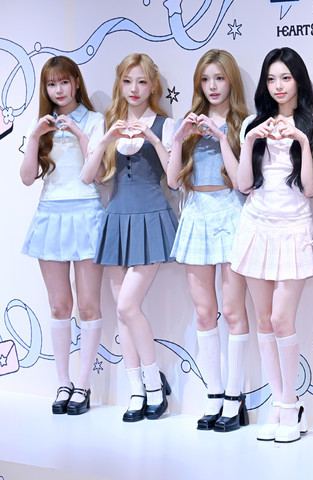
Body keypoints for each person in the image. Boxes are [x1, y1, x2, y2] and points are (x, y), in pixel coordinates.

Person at [229, 47, 313, 444]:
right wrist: (250, 140)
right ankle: (279, 405)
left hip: (294, 227)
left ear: (298, 80)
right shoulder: (253, 123)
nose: (278, 86)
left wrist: (303, 141)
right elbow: (244, 185)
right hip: (256, 226)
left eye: (285, 77)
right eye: (271, 79)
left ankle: (291, 403)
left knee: (282, 319)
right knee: (264, 320)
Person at [85, 53, 177, 422]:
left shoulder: (165, 125)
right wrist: (106, 138)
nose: (134, 89)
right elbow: (89, 176)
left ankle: (154, 385)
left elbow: (173, 178)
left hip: (151, 218)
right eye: (127, 81)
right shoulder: (109, 123)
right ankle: (136, 390)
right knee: (124, 313)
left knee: (126, 306)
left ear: (153, 86)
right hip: (117, 220)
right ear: (119, 84)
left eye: (141, 81)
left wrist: (152, 137)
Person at [167, 50, 250, 432]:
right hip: (197, 214)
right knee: (204, 313)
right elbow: (173, 181)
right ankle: (214, 393)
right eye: (205, 79)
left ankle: (235, 396)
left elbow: (243, 182)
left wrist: (221, 137)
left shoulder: (244, 123)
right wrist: (180, 137)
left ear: (231, 80)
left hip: (231, 211)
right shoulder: (187, 122)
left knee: (233, 311)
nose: (212, 86)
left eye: (219, 78)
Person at [20, 56, 105, 416]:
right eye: (52, 85)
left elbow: (97, 174)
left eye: (64, 82)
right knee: (59, 305)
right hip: (51, 215)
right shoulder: (41, 125)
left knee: (88, 306)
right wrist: (34, 136)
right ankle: (62, 383)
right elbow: (27, 178)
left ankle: (83, 385)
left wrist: (80, 134)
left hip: (86, 212)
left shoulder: (95, 120)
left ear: (76, 83)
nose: (59, 90)